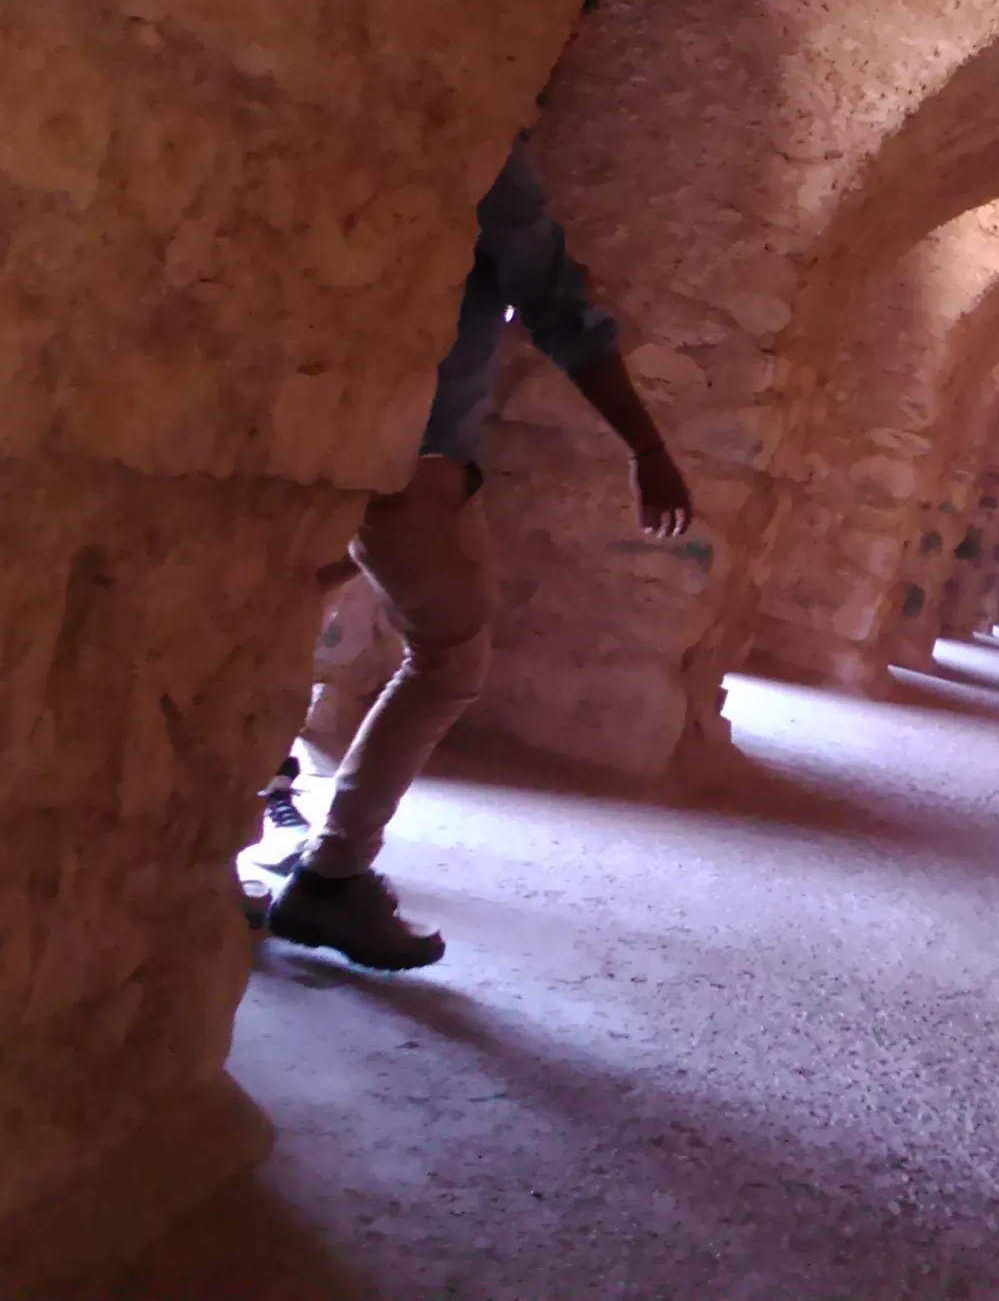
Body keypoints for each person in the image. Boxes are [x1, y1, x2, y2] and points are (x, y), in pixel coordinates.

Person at [264, 133, 692, 971]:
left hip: (313, 422)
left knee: (275, 611)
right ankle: (331, 873)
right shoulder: (486, 138)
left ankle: (280, 829)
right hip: (411, 454)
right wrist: (647, 446)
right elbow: (558, 303)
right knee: (450, 655)